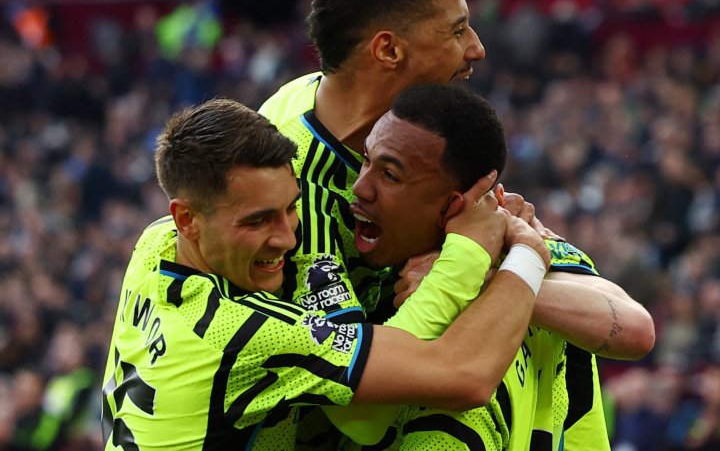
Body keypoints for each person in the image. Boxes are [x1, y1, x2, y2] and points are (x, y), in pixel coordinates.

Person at [259, 0, 654, 450]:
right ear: (388, 50)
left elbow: (632, 327)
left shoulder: (434, 159)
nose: (477, 47)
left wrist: (497, 277)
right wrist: (478, 280)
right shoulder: (287, 193)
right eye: (456, 29)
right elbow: (361, 410)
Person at [99, 97, 553, 450]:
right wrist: (514, 254)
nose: (286, 238)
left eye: (291, 207)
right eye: (256, 221)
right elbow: (463, 375)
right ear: (187, 219)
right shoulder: (239, 334)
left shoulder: (154, 245)